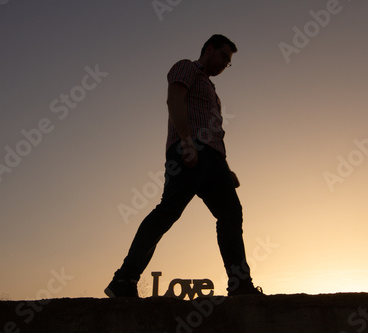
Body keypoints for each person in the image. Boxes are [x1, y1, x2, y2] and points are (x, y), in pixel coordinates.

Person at [105, 34, 263, 297]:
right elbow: (174, 100)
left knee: (231, 213)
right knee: (168, 211)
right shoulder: (186, 67)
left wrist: (226, 166)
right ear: (209, 49)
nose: (226, 64)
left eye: (229, 61)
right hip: (189, 150)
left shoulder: (213, 93)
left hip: (215, 161)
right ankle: (124, 280)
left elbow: (216, 132)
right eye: (224, 56)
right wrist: (187, 141)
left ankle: (240, 284)